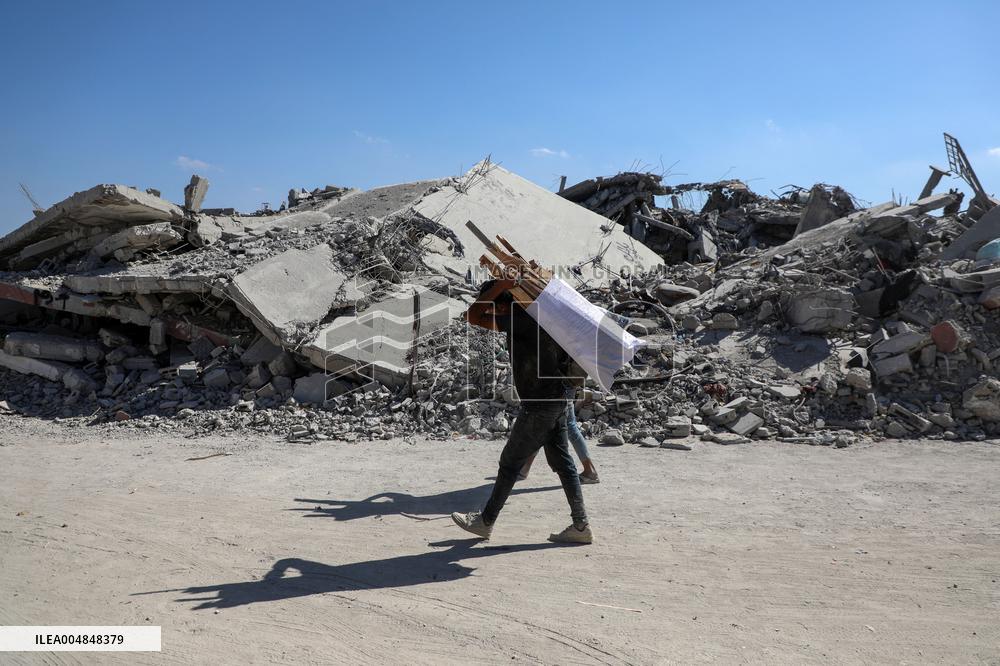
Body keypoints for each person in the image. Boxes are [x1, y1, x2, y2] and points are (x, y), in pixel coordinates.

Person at [452, 284, 592, 544]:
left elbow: (472, 316)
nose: (495, 314)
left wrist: (502, 285)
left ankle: (486, 521)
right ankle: (581, 526)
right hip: (558, 399)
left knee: (509, 463)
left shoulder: (521, 318)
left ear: (503, 305)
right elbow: (479, 317)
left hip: (540, 404)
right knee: (563, 463)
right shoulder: (540, 316)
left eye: (496, 308)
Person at [517, 398, 599, 484]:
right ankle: (525, 468)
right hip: (560, 393)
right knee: (565, 426)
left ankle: (524, 469)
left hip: (556, 393)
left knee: (543, 426)